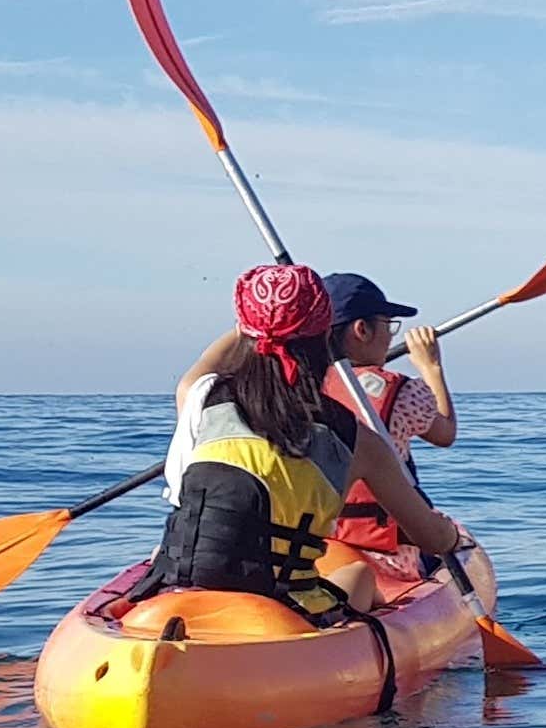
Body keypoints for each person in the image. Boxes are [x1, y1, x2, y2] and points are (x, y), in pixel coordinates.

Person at [133, 263, 468, 627]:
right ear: (324, 337)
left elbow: (206, 364)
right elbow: (430, 538)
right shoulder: (356, 438)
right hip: (280, 612)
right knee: (359, 577)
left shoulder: (199, 397)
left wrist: (266, 312)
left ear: (245, 328)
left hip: (173, 595)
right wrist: (453, 538)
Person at [319, 273, 459, 580]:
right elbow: (445, 432)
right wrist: (431, 368)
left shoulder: (296, 387)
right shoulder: (404, 393)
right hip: (387, 561)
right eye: (388, 325)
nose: (391, 336)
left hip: (316, 553)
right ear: (362, 330)